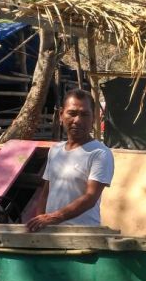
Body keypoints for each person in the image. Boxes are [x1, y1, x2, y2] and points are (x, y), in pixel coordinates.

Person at [27, 89, 114, 232]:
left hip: (82, 235)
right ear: (61, 115)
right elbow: (46, 192)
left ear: (94, 118)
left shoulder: (100, 153)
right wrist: (40, 221)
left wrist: (52, 218)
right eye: (72, 113)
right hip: (51, 235)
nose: (78, 120)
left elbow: (90, 197)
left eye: (85, 114)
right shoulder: (55, 150)